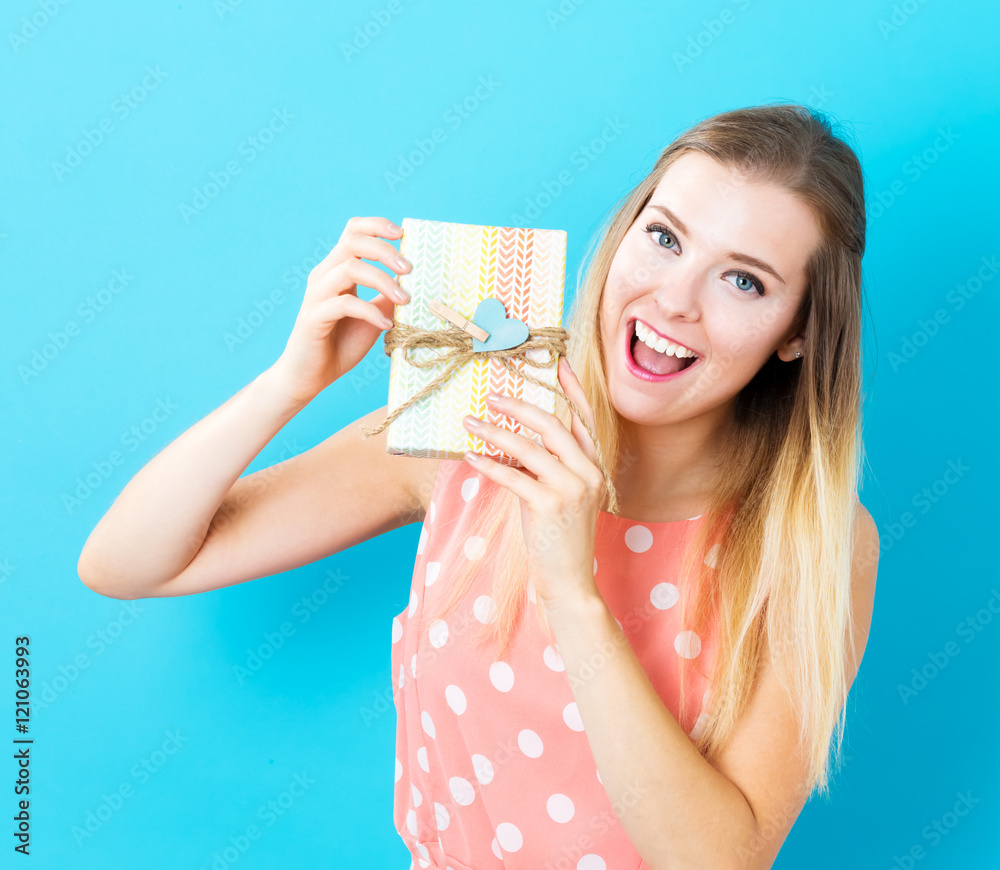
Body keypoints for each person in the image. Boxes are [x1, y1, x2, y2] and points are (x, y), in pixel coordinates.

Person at [79, 102, 879, 869]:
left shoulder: (817, 540)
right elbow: (126, 564)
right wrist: (291, 382)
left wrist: (571, 588)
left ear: (799, 333)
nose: (673, 299)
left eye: (744, 282)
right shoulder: (475, 431)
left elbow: (715, 862)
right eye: (664, 237)